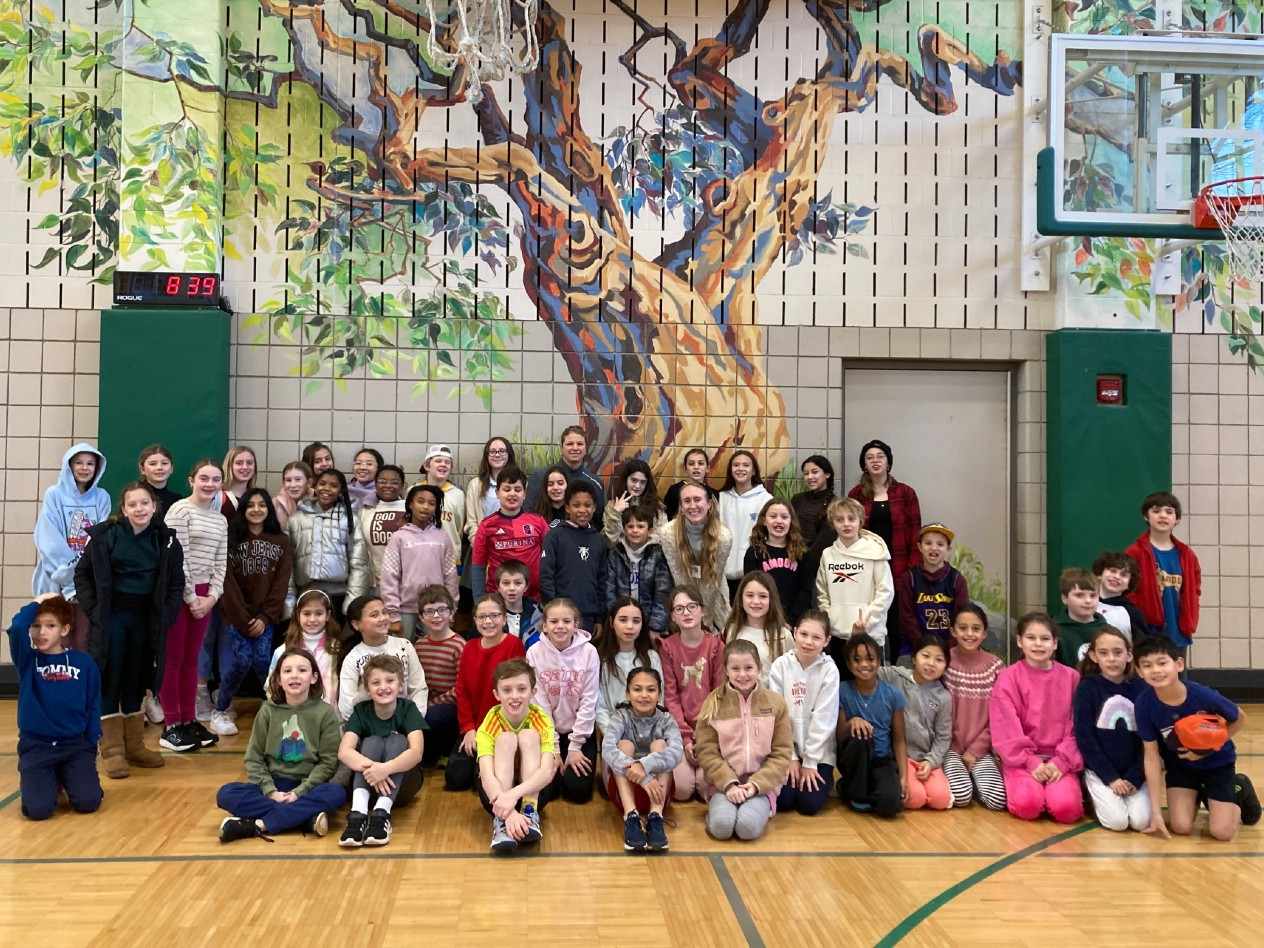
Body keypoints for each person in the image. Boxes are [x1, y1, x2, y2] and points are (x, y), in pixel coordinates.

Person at [75, 481, 183, 777]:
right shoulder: (105, 536)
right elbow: (82, 575)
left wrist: (167, 615)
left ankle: (134, 746)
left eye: (144, 503)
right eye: (132, 504)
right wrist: (95, 611)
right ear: (123, 509)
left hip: (146, 621)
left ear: (154, 506)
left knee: (138, 678)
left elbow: (176, 583)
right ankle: (112, 750)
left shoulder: (166, 541)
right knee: (111, 678)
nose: (139, 509)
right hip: (112, 619)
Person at [1135, 636, 1260, 840]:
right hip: (1181, 768)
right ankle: (1199, 794)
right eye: (1147, 665)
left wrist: (1207, 750)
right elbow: (1150, 756)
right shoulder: (1144, 704)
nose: (1156, 670)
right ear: (1139, 672)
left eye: (1162, 662)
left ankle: (1240, 787)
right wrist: (1156, 813)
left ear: (1178, 664)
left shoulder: (1202, 695)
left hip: (1218, 765)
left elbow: (1240, 718)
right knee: (1181, 827)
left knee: (1222, 833)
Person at [215, 647, 345, 842]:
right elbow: (254, 757)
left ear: (314, 677)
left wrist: (298, 792)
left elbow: (328, 763)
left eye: (302, 670)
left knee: (336, 793)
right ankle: (303, 818)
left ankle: (256, 825)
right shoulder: (267, 711)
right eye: (287, 671)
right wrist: (271, 791)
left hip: (306, 785)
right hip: (272, 783)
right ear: (278, 680)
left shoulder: (325, 713)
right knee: (226, 794)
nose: (295, 675)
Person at [8, 594, 103, 821]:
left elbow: (93, 704)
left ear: (64, 629)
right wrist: (37, 603)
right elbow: (17, 626)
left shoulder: (84, 663)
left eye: (50, 626)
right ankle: (44, 780)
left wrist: (90, 743)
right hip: (38, 747)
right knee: (38, 811)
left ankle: (67, 777)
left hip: (75, 746)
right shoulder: (28, 661)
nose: (41, 632)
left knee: (88, 802)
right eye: (37, 626)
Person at [212, 487, 293, 736]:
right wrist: (242, 618)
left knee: (262, 662)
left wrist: (266, 616)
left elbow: (281, 584)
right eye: (250, 505)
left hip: (265, 617)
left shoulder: (281, 541)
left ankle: (275, 706)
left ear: (269, 509)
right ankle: (221, 708)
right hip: (236, 617)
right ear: (243, 510)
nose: (256, 510)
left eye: (262, 505)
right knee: (240, 661)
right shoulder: (231, 539)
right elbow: (226, 582)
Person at [989, 612, 1084, 824]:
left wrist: (1061, 763)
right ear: (1019, 641)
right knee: (1028, 805)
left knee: (1066, 810)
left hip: (1061, 760)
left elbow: (1078, 727)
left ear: (1055, 643)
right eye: (1031, 638)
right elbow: (1005, 728)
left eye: (1045, 638)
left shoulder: (1071, 678)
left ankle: (1059, 791)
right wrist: (1031, 763)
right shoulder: (1008, 678)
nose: (1038, 644)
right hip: (1022, 761)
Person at [160, 459, 228, 753]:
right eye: (204, 478)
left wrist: (212, 597)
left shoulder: (220, 519)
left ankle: (188, 719)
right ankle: (171, 724)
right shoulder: (180, 511)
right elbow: (177, 559)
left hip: (205, 596)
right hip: (178, 593)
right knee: (173, 659)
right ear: (191, 480)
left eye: (215, 479)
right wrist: (190, 598)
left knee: (192, 661)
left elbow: (220, 563)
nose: (209, 484)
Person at [694, 639, 793, 841]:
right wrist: (729, 784)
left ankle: (762, 806)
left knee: (747, 828)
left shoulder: (776, 704)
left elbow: (782, 753)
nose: (742, 674)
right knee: (721, 828)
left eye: (748, 667)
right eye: (735, 668)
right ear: (726, 670)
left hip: (760, 787)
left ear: (759, 668)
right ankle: (717, 809)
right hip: (723, 786)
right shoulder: (713, 703)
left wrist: (756, 785)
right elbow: (706, 751)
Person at [338, 654, 427, 847]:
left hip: (403, 785)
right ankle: (358, 814)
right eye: (375, 682)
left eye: (390, 680)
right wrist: (375, 769)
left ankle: (381, 814)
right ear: (367, 689)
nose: (383, 687)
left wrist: (385, 769)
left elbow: (417, 752)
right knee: (372, 742)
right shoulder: (362, 710)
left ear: (401, 684)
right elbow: (344, 752)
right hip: (369, 784)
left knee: (398, 740)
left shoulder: (408, 708)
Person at [1073, 627, 1150, 832]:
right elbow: (1085, 738)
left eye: (1118, 652)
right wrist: (1111, 778)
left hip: (1135, 772)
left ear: (1129, 655)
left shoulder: (1141, 688)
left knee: (1141, 822)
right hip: (1102, 772)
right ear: (1093, 656)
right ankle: (1092, 796)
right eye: (1104, 653)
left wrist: (1135, 777)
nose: (1112, 659)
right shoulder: (1087, 688)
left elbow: (1149, 741)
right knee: (1117, 823)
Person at [446, 593, 526, 791]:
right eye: (482, 617)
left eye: (494, 615)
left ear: (504, 618)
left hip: (502, 729)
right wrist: (468, 728)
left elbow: (515, 696)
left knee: (482, 785)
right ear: (475, 620)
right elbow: (462, 690)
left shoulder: (514, 645)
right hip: (475, 726)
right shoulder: (470, 647)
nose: (488, 621)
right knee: (456, 779)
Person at [477, 659, 559, 852]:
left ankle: (530, 815)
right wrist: (508, 812)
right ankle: (501, 824)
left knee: (529, 735)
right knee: (505, 739)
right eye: (507, 690)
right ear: (496, 694)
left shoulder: (542, 719)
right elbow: (486, 776)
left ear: (533, 692)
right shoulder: (489, 723)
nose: (515, 696)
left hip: (533, 793)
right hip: (495, 795)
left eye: (521, 689)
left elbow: (547, 772)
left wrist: (512, 796)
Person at [526, 598, 600, 804]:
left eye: (566, 621)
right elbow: (539, 705)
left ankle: (574, 756)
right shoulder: (534, 653)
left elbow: (589, 700)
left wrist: (575, 746)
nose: (560, 626)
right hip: (548, 732)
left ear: (576, 625)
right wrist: (553, 749)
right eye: (554, 621)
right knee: (548, 792)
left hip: (580, 733)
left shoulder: (589, 652)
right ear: (545, 625)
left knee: (577, 792)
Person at [768, 610, 839, 816]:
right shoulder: (780, 666)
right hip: (786, 748)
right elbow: (778, 717)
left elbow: (824, 720)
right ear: (795, 633)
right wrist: (790, 756)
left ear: (826, 641)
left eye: (816, 637)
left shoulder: (830, 670)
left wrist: (810, 762)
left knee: (809, 804)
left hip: (817, 754)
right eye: (804, 634)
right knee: (784, 801)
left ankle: (827, 778)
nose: (808, 642)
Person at [603, 667, 682, 852]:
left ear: (659, 693)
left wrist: (644, 765)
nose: (644, 695)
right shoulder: (620, 716)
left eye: (651, 689)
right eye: (637, 689)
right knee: (624, 746)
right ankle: (631, 817)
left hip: (658, 793)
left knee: (660, 745)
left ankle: (656, 817)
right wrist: (643, 777)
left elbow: (677, 752)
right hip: (624, 794)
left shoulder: (666, 719)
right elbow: (607, 750)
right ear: (628, 693)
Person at [660, 585, 726, 802]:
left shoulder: (716, 646)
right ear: (672, 616)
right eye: (679, 609)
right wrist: (687, 738)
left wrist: (703, 736)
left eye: (691, 606)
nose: (686, 613)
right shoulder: (668, 647)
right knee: (682, 790)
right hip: (680, 731)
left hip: (710, 729)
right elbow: (670, 697)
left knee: (706, 789)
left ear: (702, 610)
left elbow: (719, 693)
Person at [941, 604, 1006, 810]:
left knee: (998, 801)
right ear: (953, 631)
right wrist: (953, 748)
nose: (969, 634)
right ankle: (963, 779)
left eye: (976, 629)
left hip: (981, 748)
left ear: (985, 633)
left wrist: (975, 751)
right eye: (963, 628)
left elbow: (999, 717)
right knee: (960, 796)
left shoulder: (996, 666)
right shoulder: (943, 661)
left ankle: (976, 779)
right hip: (949, 747)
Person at [816, 497, 894, 667]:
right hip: (838, 635)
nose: (846, 524)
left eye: (851, 518)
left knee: (869, 687)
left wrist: (867, 621)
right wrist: (830, 618)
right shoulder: (828, 554)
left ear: (860, 521)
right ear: (832, 523)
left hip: (869, 634)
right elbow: (822, 592)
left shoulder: (876, 552)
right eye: (839, 519)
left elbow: (885, 592)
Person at [835, 633, 906, 817]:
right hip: (854, 757)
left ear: (879, 661)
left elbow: (899, 740)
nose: (864, 664)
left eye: (870, 658)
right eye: (857, 660)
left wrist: (904, 777)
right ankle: (856, 791)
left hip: (882, 760)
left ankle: (854, 789)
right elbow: (839, 736)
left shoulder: (893, 694)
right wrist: (852, 722)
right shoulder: (842, 690)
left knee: (890, 805)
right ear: (849, 664)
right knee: (861, 735)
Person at [878, 637, 953, 811]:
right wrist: (860, 635)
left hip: (926, 758)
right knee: (915, 799)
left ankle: (929, 786)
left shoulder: (943, 697)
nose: (931, 663)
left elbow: (943, 737)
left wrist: (930, 761)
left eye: (939, 659)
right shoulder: (896, 676)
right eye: (925, 656)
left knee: (941, 800)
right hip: (902, 757)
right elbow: (870, 667)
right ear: (914, 658)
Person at [1125, 491, 1202, 655]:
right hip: (1146, 632)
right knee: (1147, 678)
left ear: (1177, 519)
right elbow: (1127, 591)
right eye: (1156, 510)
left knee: (1176, 678)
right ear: (1146, 516)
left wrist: (1190, 619)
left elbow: (1194, 590)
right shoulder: (1135, 552)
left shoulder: (1187, 555)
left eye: (1169, 511)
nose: (1163, 516)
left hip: (1178, 632)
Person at [33, 442, 111, 601]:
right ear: (69, 466)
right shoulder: (54, 494)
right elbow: (49, 540)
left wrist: (82, 575)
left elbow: (100, 538)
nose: (85, 468)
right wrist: (68, 580)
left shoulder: (102, 497)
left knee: (84, 626)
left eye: (90, 463)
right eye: (79, 462)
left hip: (89, 579)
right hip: (55, 578)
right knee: (54, 624)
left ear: (97, 468)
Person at [380, 484, 458, 641]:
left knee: (434, 650)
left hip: (436, 608)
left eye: (431, 503)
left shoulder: (442, 537)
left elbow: (451, 575)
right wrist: (393, 614)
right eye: (420, 501)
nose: (425, 507)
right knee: (402, 650)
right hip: (405, 609)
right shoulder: (399, 537)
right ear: (410, 504)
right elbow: (389, 576)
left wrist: (451, 609)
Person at [847, 439, 921, 593]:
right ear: (864, 466)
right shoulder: (856, 494)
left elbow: (916, 533)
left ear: (888, 464)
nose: (875, 460)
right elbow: (850, 533)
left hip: (900, 565)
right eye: (869, 457)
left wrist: (912, 567)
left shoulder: (906, 493)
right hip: (867, 564)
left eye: (880, 456)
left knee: (898, 612)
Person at [338, 595, 428, 721]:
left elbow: (418, 688)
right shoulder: (353, 658)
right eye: (374, 615)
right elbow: (346, 706)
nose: (383, 618)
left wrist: (414, 718)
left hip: (406, 719)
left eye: (385, 612)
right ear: (356, 624)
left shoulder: (405, 646)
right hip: (369, 724)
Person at [658, 483, 733, 633]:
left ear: (709, 504)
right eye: (687, 501)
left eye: (697, 499)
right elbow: (679, 576)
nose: (693, 505)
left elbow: (713, 581)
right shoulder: (668, 533)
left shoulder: (724, 537)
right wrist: (690, 613)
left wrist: (705, 621)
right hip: (682, 590)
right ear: (681, 506)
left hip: (714, 592)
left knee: (723, 633)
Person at [539, 481, 609, 633]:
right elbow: (546, 576)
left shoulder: (599, 540)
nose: (583, 510)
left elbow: (602, 581)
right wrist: (555, 610)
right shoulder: (555, 536)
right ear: (567, 507)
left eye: (587, 505)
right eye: (577, 505)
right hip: (562, 616)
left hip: (589, 617)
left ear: (595, 507)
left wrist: (599, 618)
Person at [470, 465, 549, 599]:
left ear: (524, 494)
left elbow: (551, 559)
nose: (512, 493)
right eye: (507, 489)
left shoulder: (538, 522)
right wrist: (479, 600)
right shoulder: (487, 525)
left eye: (517, 489)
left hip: (534, 599)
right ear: (497, 493)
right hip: (498, 600)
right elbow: (478, 565)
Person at [287, 468, 355, 620]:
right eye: (322, 483)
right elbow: (288, 563)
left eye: (333, 485)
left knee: (334, 641)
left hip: (338, 596)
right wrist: (289, 600)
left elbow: (359, 563)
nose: (327, 489)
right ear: (314, 486)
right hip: (305, 593)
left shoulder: (349, 519)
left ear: (340, 490)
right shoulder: (296, 519)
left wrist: (352, 601)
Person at [894, 522, 969, 660]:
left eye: (940, 544)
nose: (934, 548)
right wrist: (923, 647)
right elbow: (906, 618)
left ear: (948, 549)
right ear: (919, 547)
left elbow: (962, 618)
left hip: (949, 648)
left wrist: (946, 649)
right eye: (928, 543)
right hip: (914, 647)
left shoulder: (957, 580)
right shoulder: (909, 578)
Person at [596, 598, 663, 739]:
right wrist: (613, 736)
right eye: (623, 620)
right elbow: (599, 706)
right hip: (614, 734)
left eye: (636, 621)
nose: (630, 626)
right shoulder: (600, 659)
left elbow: (660, 698)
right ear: (611, 622)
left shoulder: (651, 657)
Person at [412, 585, 464, 767]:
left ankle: (445, 752)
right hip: (424, 702)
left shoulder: (458, 645)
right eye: (429, 611)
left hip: (448, 705)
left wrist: (431, 704)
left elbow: (461, 688)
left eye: (442, 610)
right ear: (421, 617)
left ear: (451, 613)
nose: (436, 616)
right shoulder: (419, 646)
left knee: (435, 716)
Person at [269, 588, 341, 713]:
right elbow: (271, 685)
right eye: (307, 614)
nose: (312, 619)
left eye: (318, 613)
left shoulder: (336, 648)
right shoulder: (284, 650)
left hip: (327, 713)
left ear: (328, 615)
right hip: (293, 712)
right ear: (298, 615)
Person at [606, 506, 673, 638]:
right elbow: (609, 590)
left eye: (640, 526)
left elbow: (662, 593)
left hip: (648, 622)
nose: (635, 530)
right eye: (630, 526)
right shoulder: (616, 553)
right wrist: (615, 619)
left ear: (650, 530)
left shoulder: (657, 554)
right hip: (622, 621)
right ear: (624, 529)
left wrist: (656, 626)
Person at [347, 464, 408, 601]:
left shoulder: (409, 509)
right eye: (382, 481)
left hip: (405, 584)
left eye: (394, 482)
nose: (388, 485)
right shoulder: (365, 510)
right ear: (375, 483)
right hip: (375, 584)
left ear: (402, 485)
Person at [743, 499, 807, 625]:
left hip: (792, 621)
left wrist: (791, 619)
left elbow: (805, 590)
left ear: (791, 521)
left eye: (784, 517)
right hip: (762, 618)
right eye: (773, 516)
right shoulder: (754, 553)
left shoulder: (802, 553)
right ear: (764, 521)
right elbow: (750, 590)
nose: (779, 521)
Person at [718, 450, 772, 599]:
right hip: (721, 576)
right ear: (730, 469)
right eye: (736, 465)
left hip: (752, 574)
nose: (740, 468)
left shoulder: (766, 500)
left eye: (746, 465)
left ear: (754, 471)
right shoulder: (720, 498)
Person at [723, 571, 792, 686]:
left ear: (771, 599)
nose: (756, 601)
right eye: (750, 595)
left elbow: (791, 676)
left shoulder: (784, 635)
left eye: (763, 596)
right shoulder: (731, 631)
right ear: (741, 599)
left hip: (772, 701)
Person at [526, 424, 606, 520]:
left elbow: (598, 521)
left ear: (586, 449)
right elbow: (528, 514)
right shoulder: (540, 476)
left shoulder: (595, 482)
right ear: (561, 448)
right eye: (570, 444)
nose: (575, 448)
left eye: (580, 444)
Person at [419, 444, 466, 567]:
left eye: (447, 462)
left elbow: (458, 528)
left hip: (449, 561)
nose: (443, 464)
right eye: (438, 461)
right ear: (427, 466)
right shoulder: (413, 491)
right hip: (418, 558)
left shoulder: (458, 494)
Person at [464, 436, 516, 544]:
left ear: (509, 454)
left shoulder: (518, 483)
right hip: (482, 545)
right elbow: (471, 521)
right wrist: (478, 543)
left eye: (501, 451)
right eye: (492, 451)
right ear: (486, 456)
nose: (497, 454)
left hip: (510, 545)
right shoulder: (475, 485)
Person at [1055, 566, 1110, 666]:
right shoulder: (1054, 631)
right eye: (1079, 595)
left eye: (1093, 595)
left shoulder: (1108, 631)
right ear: (1064, 598)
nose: (1088, 601)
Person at [604, 459, 666, 544]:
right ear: (626, 479)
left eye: (642, 482)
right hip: (620, 555)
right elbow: (609, 541)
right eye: (634, 480)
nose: (637, 486)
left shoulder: (656, 506)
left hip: (649, 554)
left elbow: (662, 537)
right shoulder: (612, 505)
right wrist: (615, 513)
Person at [1091, 551, 1147, 641]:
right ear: (1100, 574)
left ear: (1129, 584)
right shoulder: (1084, 603)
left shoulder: (1133, 613)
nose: (1117, 576)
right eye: (1113, 571)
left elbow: (1143, 647)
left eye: (1124, 575)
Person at [791, 454, 835, 549]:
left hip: (820, 557)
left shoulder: (835, 504)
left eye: (815, 472)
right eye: (806, 473)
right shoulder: (797, 499)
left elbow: (826, 539)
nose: (810, 477)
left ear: (827, 474)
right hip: (793, 554)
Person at [663, 448, 719, 520]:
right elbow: (668, 517)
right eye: (691, 464)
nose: (696, 467)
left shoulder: (714, 494)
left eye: (701, 463)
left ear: (707, 468)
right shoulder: (674, 490)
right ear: (685, 468)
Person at [497, 560, 542, 648]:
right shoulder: (491, 614)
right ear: (498, 587)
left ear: (526, 587)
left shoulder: (538, 614)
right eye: (506, 583)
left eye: (518, 583)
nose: (512, 588)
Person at [137, 443, 183, 515]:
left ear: (171, 469)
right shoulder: (134, 496)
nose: (159, 467)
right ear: (142, 469)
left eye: (164, 463)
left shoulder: (177, 501)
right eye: (152, 464)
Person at [272, 460, 313, 532]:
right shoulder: (275, 504)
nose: (293, 485)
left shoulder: (318, 502)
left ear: (309, 482)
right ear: (283, 483)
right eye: (288, 480)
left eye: (298, 479)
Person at [220, 445, 257, 514]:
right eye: (239, 463)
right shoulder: (218, 497)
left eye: (249, 463)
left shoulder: (257, 497)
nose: (245, 467)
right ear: (229, 466)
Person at [534, 464, 570, 529]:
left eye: (560, 483)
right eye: (550, 484)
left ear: (567, 485)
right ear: (545, 488)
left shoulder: (576, 513)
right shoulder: (536, 516)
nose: (555, 487)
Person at [348, 447, 383, 512]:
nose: (362, 467)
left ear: (378, 468)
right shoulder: (343, 490)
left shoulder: (384, 493)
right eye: (358, 463)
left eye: (369, 464)